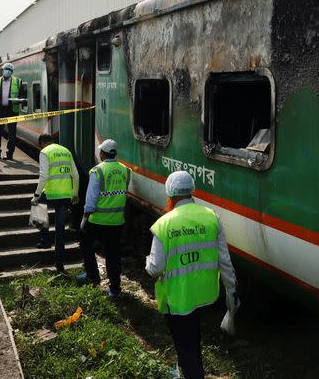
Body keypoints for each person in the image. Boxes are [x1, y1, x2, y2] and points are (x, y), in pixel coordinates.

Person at [145, 171, 239, 379]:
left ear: (169, 194)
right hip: (203, 294)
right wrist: (231, 292)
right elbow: (225, 261)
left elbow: (154, 269)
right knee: (192, 336)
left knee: (186, 345)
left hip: (178, 297)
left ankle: (191, 372)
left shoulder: (164, 224)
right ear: (191, 191)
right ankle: (183, 369)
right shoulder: (211, 216)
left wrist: (147, 261)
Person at [77, 139, 131, 297]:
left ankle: (92, 275)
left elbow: (91, 198)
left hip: (97, 220)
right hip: (117, 221)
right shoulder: (126, 171)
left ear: (102, 153)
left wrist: (84, 218)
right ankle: (115, 289)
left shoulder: (97, 171)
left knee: (86, 244)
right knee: (113, 255)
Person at [31, 133, 79, 272]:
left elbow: (44, 175)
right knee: (60, 230)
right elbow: (75, 175)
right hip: (65, 195)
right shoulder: (66, 151)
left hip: (50, 193)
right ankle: (59, 264)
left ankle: (45, 240)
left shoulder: (45, 152)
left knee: (38, 205)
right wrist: (74, 194)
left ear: (41, 143)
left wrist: (36, 195)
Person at [0, 62, 22, 160]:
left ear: (12, 72)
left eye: (9, 70)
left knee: (12, 134)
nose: (7, 71)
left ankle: (9, 154)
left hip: (12, 110)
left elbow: (22, 95)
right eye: (5, 69)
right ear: (2, 70)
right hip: (0, 110)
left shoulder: (18, 81)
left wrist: (19, 100)